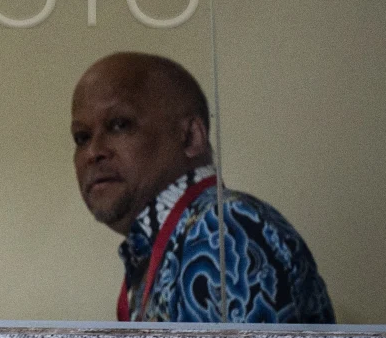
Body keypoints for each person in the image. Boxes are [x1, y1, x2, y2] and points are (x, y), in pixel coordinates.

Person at [71, 51, 334, 323]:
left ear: (191, 137)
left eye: (119, 125)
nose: (93, 152)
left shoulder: (224, 227)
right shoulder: (166, 244)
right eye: (81, 137)